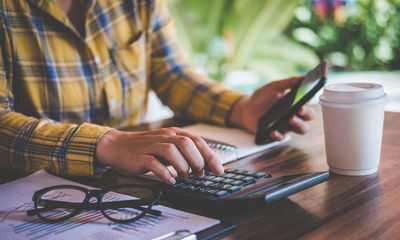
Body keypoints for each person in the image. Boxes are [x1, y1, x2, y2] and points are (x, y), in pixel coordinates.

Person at [0, 0, 314, 184]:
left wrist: (241, 108)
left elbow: (172, 75)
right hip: (33, 193)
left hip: (134, 182)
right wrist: (106, 143)